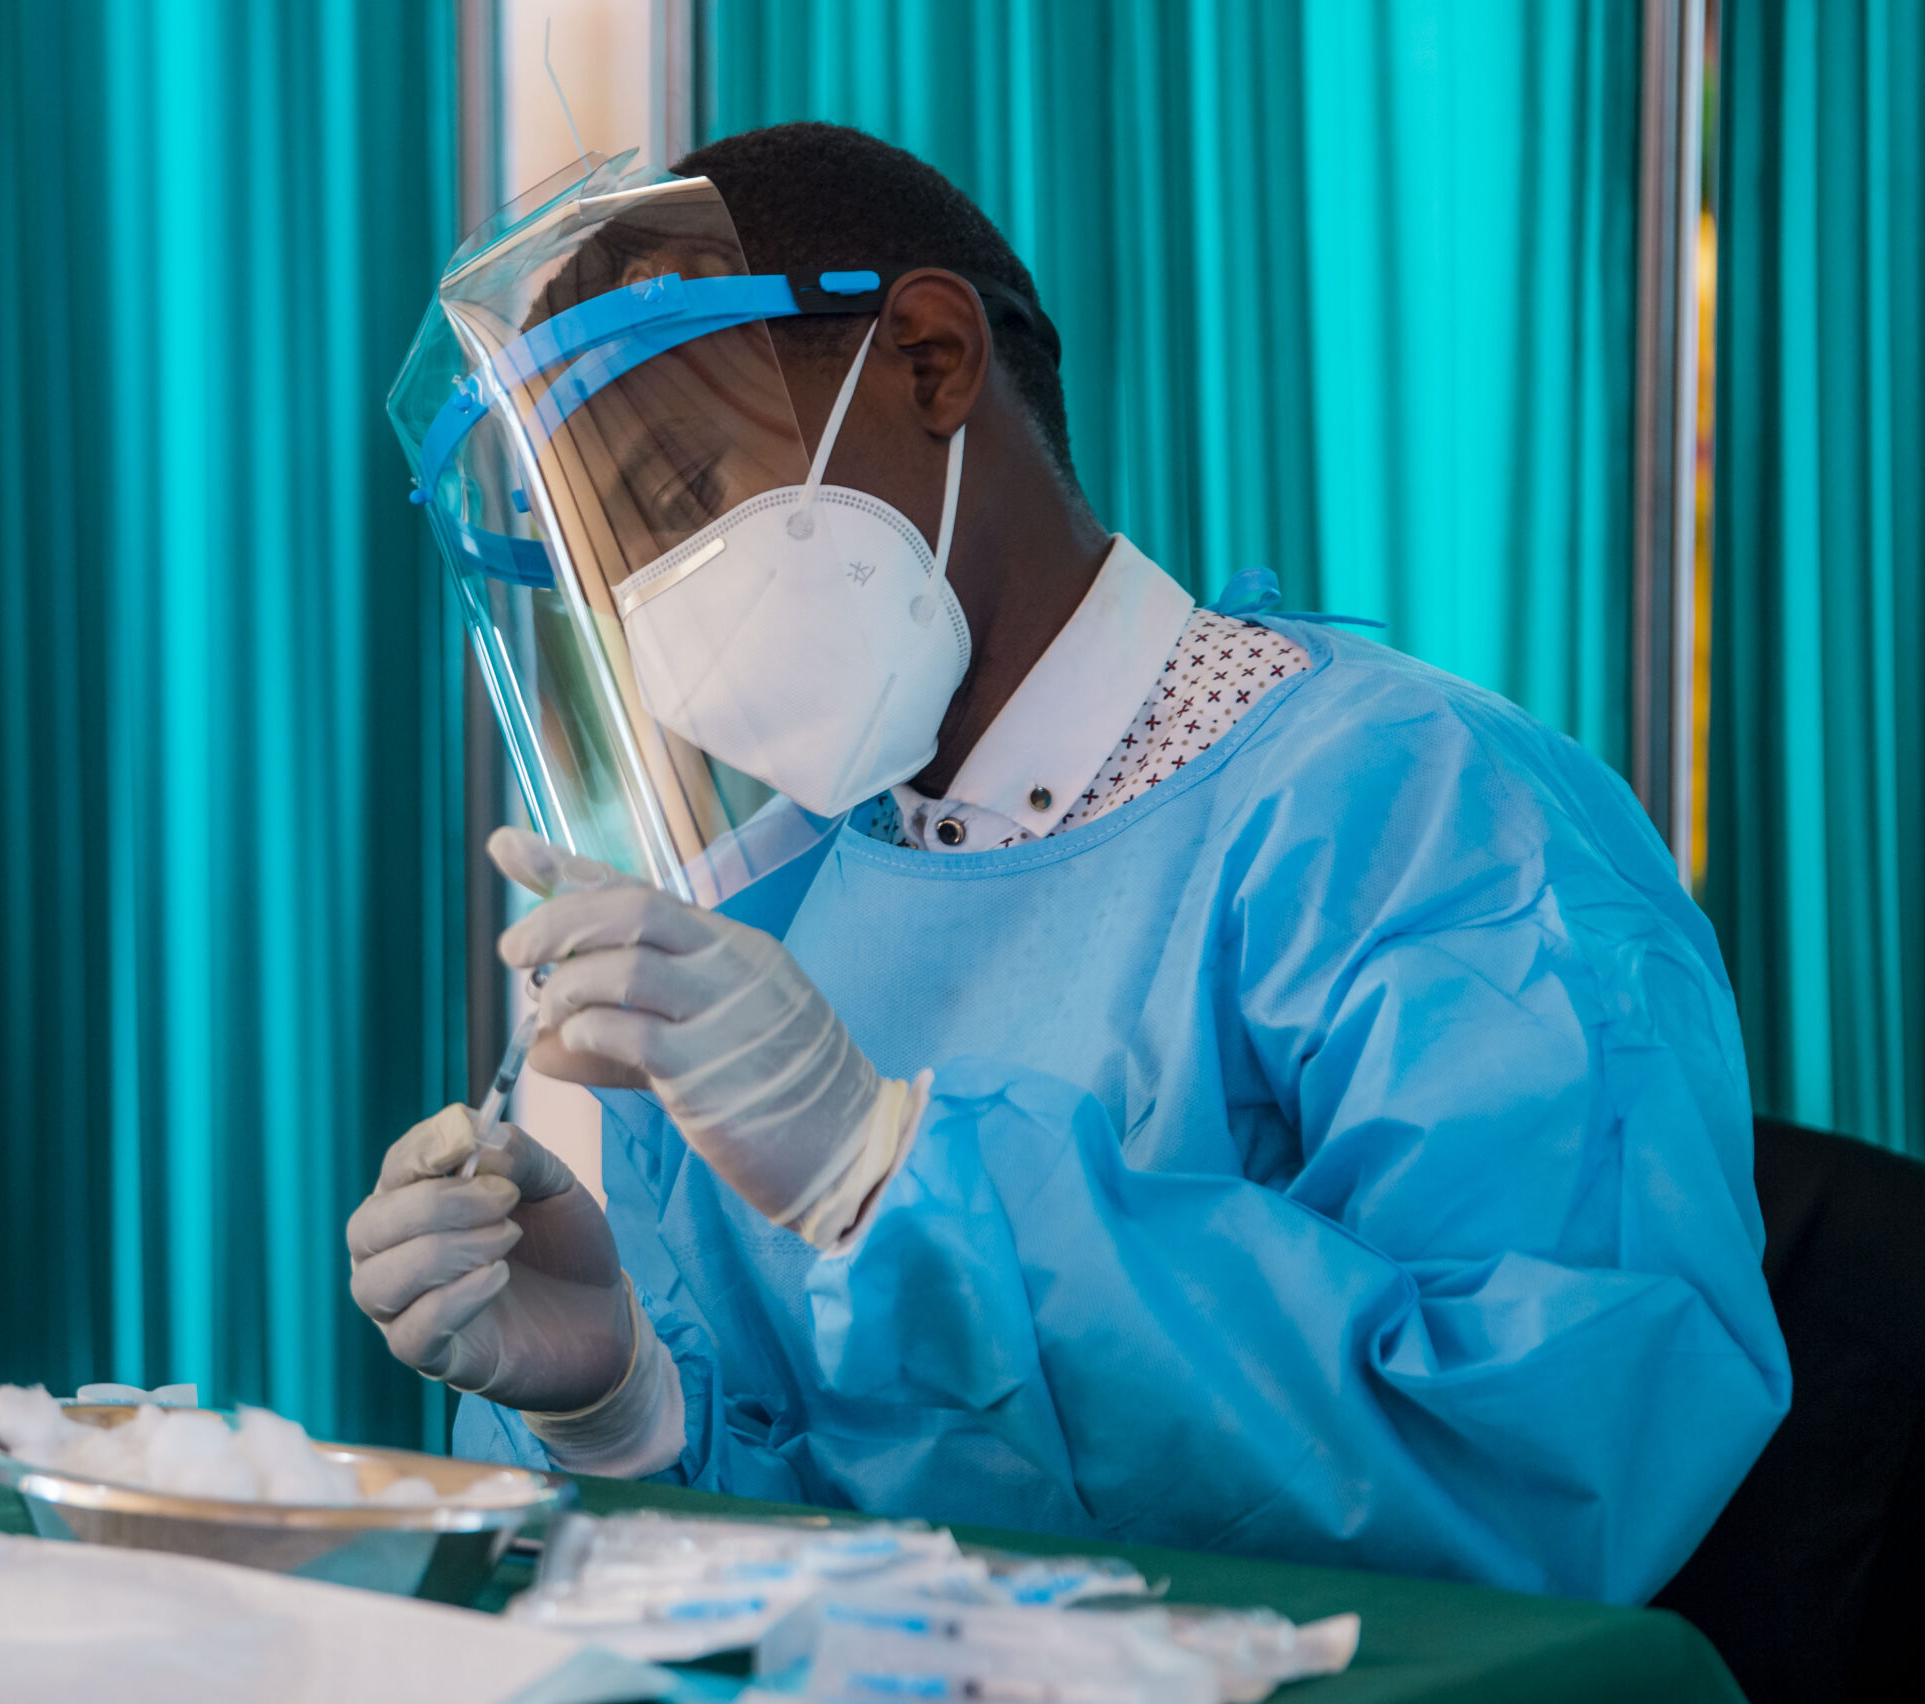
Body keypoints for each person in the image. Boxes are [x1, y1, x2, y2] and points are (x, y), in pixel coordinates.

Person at [348, 122, 1788, 1604]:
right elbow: (803, 1579)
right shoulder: (759, 918)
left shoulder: (1418, 815)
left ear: (927, 358)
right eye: (610, 560)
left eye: (677, 493)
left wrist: (894, 1174)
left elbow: (1559, 1466)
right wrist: (625, 1409)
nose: (656, 608)